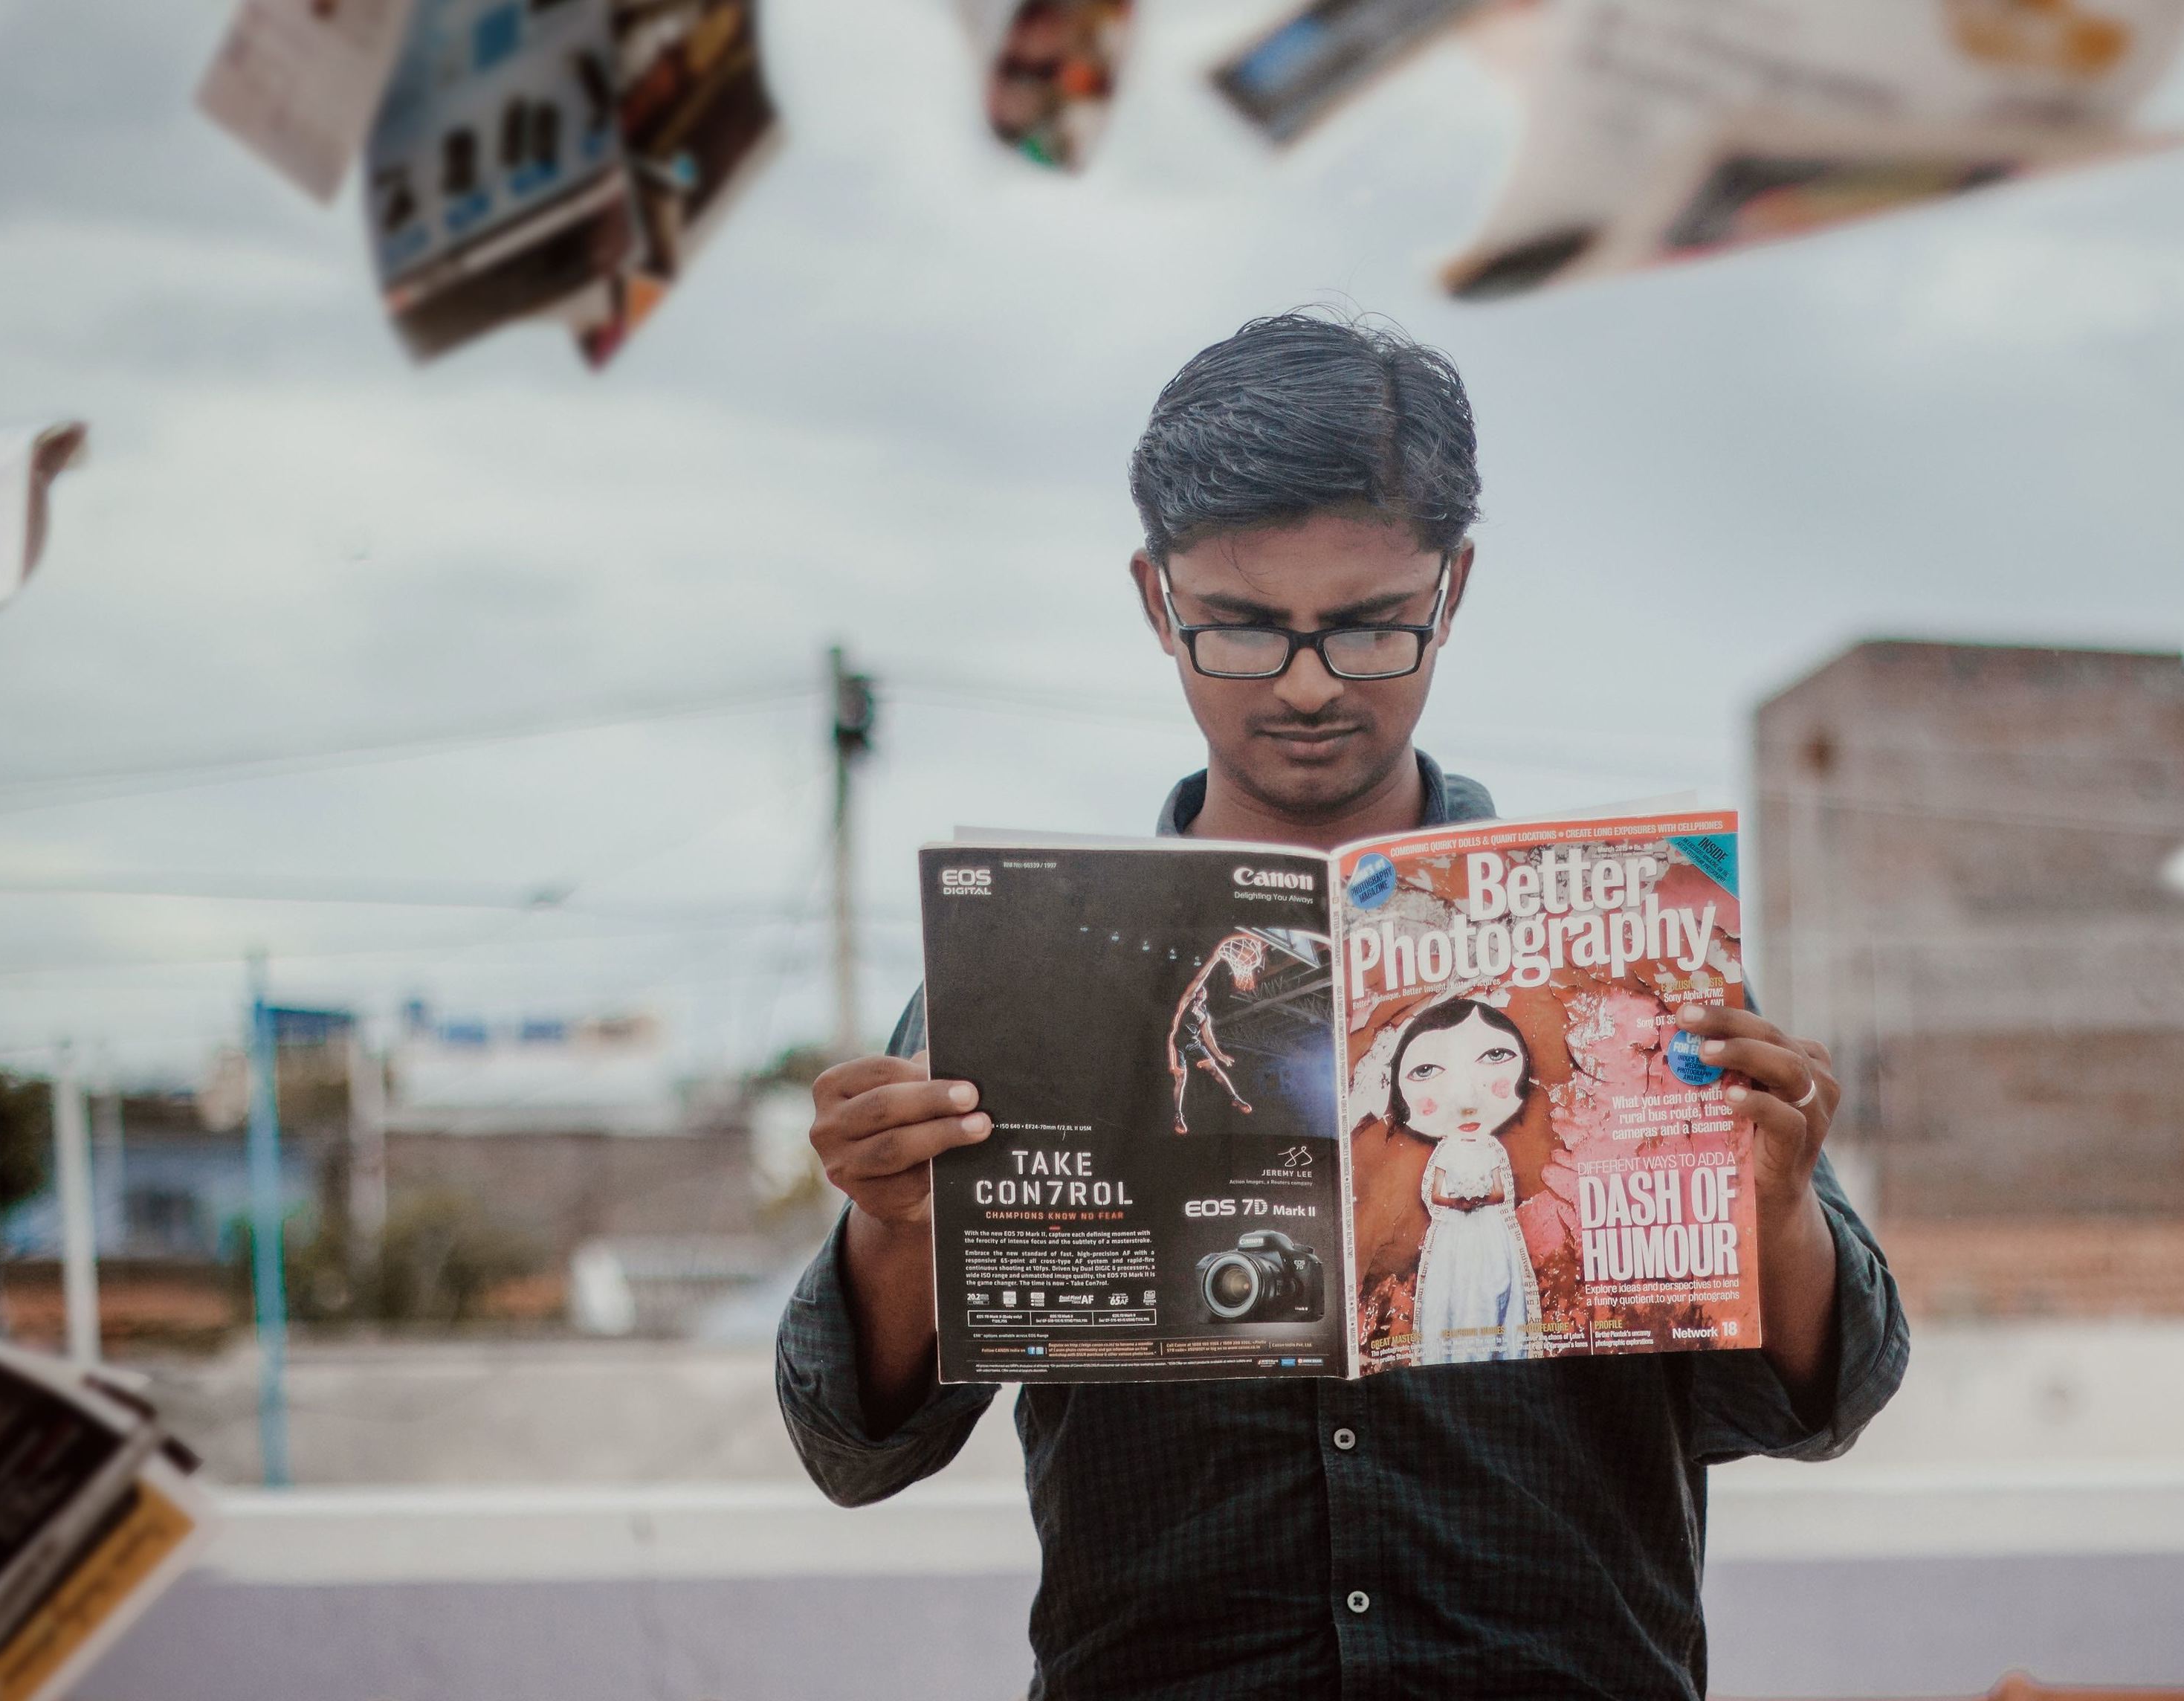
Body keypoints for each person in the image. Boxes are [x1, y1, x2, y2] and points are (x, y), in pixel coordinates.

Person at [778, 310, 1908, 1700]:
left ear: (1454, 587)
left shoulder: (1630, 955)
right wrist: (893, 1229)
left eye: (1370, 627)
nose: (1308, 686)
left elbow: (1823, 1401)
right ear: (1153, 597)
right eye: (1242, 631)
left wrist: (1775, 1208)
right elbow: (853, 1442)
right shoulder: (1016, 988)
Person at [1386, 996, 1542, 1366]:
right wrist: (1458, 1203)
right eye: (1425, 1070)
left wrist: (1481, 1199)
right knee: (1454, 1294)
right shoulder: (1446, 1152)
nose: (1467, 1100)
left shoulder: (1490, 1149)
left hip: (1490, 1232)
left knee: (1495, 1289)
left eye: (1494, 1056)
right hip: (1455, 1234)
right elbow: (1435, 1193)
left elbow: (1502, 1191)